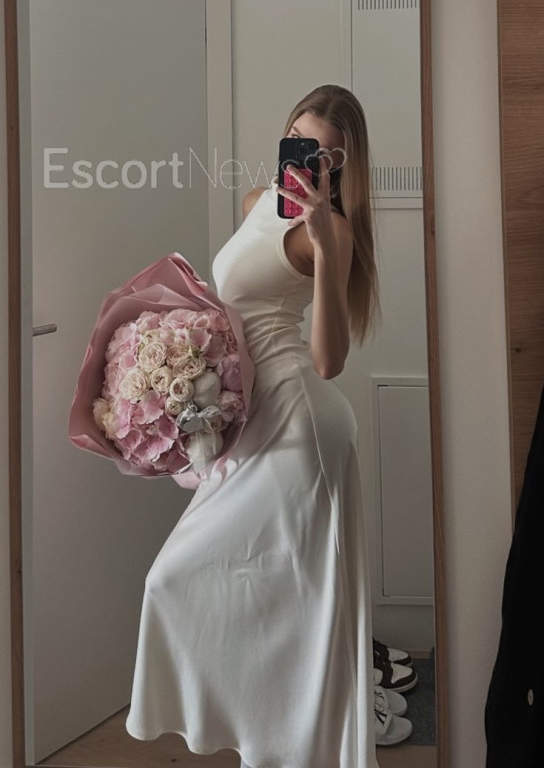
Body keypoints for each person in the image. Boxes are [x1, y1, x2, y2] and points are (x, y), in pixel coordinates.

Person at [125, 83, 382, 768]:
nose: (308, 160)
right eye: (300, 141)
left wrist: (324, 243)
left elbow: (328, 361)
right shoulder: (254, 204)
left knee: (300, 601)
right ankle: (269, 745)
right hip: (251, 416)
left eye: (326, 155)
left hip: (302, 424)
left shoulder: (332, 232)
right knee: (182, 581)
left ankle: (304, 749)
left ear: (343, 166)